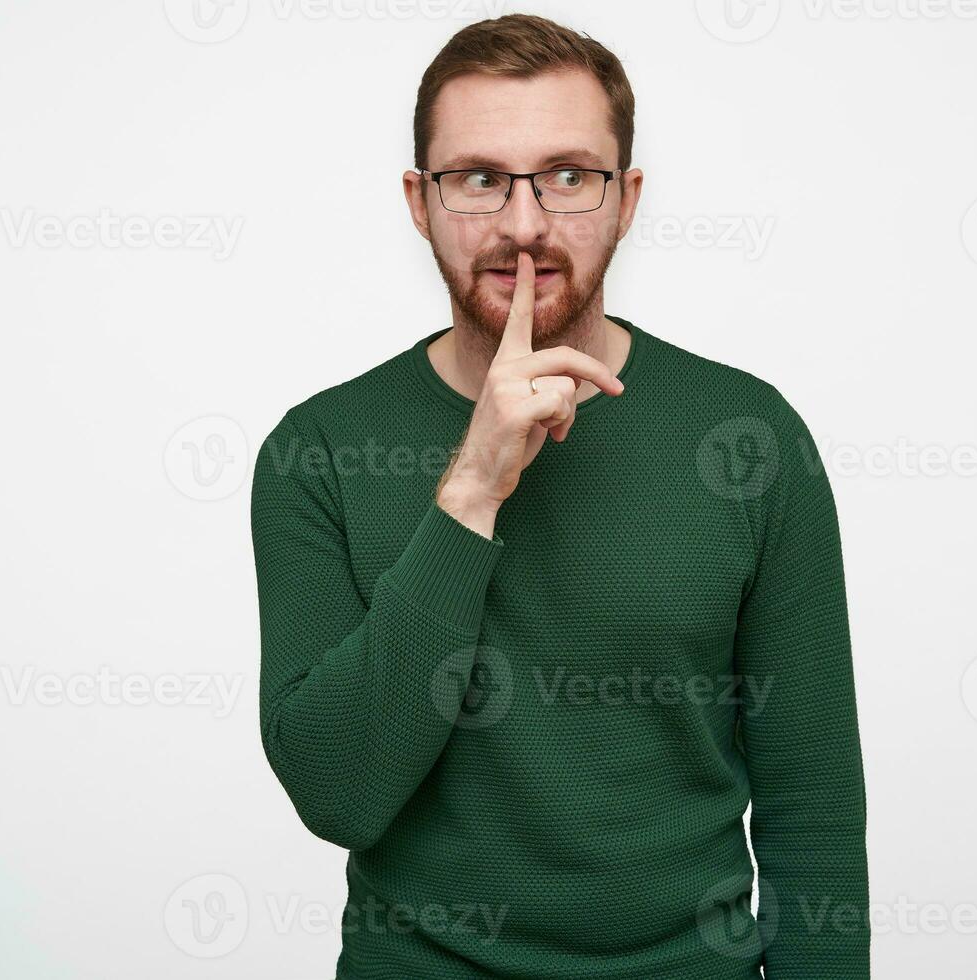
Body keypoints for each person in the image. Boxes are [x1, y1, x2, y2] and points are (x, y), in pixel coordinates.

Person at [251, 13, 869, 978]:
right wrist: (472, 488)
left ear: (626, 199)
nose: (524, 222)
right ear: (420, 201)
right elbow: (338, 792)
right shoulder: (318, 452)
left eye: (569, 176)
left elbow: (814, 816)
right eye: (479, 178)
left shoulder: (749, 439)